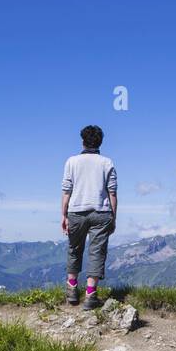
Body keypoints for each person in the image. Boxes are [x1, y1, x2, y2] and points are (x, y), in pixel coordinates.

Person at [61, 125, 117, 309]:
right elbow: (112, 193)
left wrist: (63, 214)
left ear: (82, 141)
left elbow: (66, 190)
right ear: (100, 142)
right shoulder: (107, 163)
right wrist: (113, 217)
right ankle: (90, 296)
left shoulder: (72, 162)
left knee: (74, 249)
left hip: (76, 211)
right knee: (96, 252)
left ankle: (71, 290)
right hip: (101, 212)